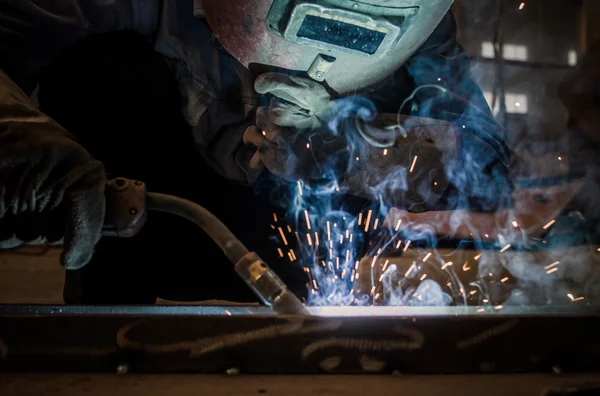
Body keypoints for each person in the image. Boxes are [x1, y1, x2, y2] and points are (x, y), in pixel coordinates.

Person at [0, 0, 511, 303]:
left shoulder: (422, 23)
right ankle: (110, 315)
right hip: (143, 216)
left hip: (298, 243)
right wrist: (20, 138)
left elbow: (488, 164)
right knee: (102, 66)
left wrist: (358, 145)